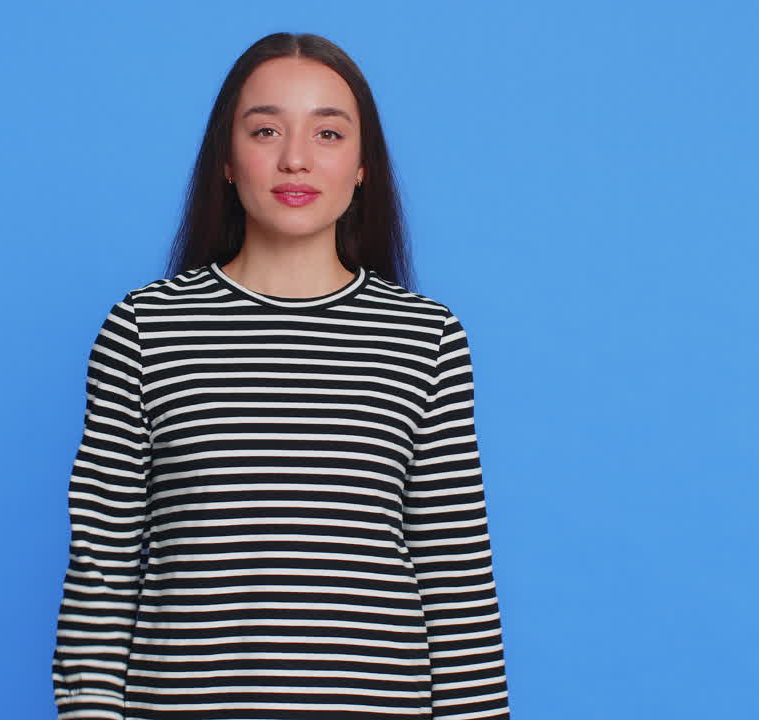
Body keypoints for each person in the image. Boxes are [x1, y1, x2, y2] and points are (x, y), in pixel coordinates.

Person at [52, 32, 510, 720]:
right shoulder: (145, 329)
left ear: (362, 166)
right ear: (227, 162)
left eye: (329, 133)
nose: (295, 157)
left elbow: (456, 579)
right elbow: (103, 574)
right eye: (265, 129)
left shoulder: (426, 337)